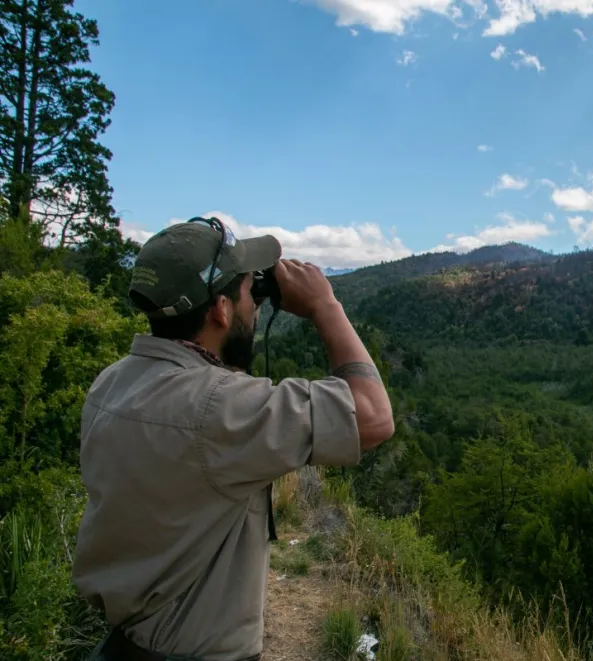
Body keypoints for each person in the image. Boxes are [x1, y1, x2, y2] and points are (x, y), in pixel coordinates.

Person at [72, 217, 395, 661]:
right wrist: (325, 306)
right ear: (221, 311)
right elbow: (375, 417)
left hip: (122, 645)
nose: (255, 305)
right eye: (248, 292)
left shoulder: (112, 383)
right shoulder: (219, 410)